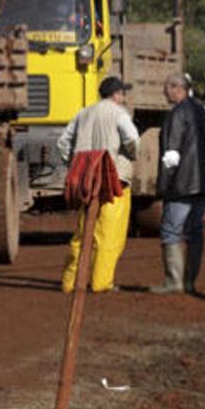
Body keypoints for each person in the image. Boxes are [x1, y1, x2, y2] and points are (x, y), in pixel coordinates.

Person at [56, 76, 140, 293]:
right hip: (115, 182)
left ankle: (70, 281)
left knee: (84, 232)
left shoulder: (83, 113)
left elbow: (63, 143)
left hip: (87, 181)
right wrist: (130, 155)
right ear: (117, 94)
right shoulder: (119, 113)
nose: (124, 98)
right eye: (123, 93)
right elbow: (132, 139)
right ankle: (101, 283)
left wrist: (73, 163)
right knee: (109, 235)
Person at [150, 73, 205, 295]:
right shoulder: (202, 112)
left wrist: (164, 185)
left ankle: (173, 282)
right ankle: (189, 282)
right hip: (201, 182)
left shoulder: (177, 115)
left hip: (181, 185)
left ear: (177, 88)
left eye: (166, 87)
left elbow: (172, 153)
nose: (164, 92)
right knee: (195, 232)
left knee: (171, 231)